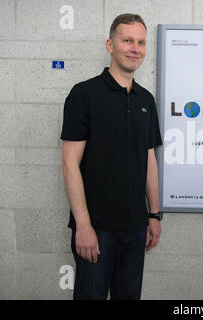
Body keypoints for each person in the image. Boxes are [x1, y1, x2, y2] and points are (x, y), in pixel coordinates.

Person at [61, 13, 163, 300]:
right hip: (97, 229)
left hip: (136, 227)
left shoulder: (146, 100)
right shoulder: (84, 94)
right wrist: (83, 226)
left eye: (141, 42)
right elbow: (69, 165)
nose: (135, 48)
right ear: (110, 45)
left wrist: (154, 214)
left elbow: (149, 161)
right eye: (127, 40)